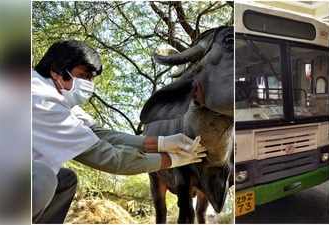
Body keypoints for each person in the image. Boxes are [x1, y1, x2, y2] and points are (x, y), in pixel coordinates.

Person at [32, 40, 206, 223]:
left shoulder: (57, 96)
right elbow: (113, 160)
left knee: (65, 179)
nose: (88, 84)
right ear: (56, 71)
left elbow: (101, 134)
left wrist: (164, 142)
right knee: (42, 177)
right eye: (82, 76)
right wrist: (175, 159)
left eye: (91, 78)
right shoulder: (42, 102)